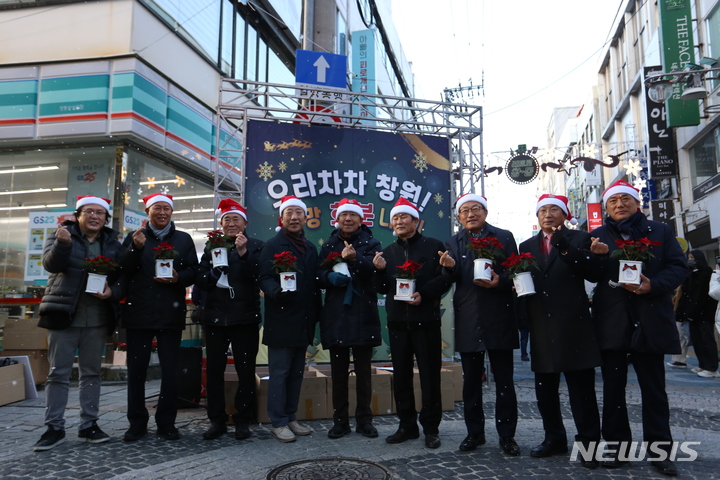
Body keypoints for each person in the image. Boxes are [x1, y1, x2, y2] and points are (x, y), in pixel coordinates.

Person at [589, 180, 687, 476]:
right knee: (613, 390)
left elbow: (679, 266)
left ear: (637, 202)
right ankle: (618, 449)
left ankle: (660, 452)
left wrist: (653, 285)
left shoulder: (660, 232)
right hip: (613, 321)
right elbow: (589, 276)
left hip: (650, 319)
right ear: (606, 207)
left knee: (654, 390)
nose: (619, 205)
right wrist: (596, 257)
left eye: (625, 199)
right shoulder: (597, 235)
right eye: (613, 201)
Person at [33, 196, 122, 451]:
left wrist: (112, 292)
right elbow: (51, 264)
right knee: (58, 373)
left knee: (91, 372)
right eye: (89, 212)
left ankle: (88, 425)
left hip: (96, 317)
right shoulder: (62, 234)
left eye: (100, 213)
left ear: (105, 219)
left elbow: (122, 276)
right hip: (63, 315)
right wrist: (62, 244)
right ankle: (54, 427)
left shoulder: (112, 243)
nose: (94, 217)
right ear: (78, 215)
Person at [518, 194, 601, 468]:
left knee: (581, 391)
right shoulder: (526, 245)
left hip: (574, 325)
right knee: (545, 391)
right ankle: (554, 438)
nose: (548, 214)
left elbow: (591, 272)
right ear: (537, 216)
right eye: (543, 210)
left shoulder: (580, 238)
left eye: (554, 209)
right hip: (541, 325)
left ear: (565, 215)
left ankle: (589, 444)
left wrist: (565, 248)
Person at [441, 193, 521, 456]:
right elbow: (449, 280)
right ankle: (474, 433)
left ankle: (507, 436)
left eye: (476, 208)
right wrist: (449, 268)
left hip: (499, 317)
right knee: (471, 382)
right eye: (464, 210)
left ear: (485, 212)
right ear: (459, 217)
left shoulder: (504, 236)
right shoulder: (453, 242)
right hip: (468, 319)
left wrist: (501, 281)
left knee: (505, 382)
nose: (471, 214)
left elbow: (517, 271)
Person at [372, 197, 452, 449]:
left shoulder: (434, 246)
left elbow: (444, 278)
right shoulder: (387, 252)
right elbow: (383, 288)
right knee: (402, 378)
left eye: (404, 217)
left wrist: (424, 294)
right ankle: (406, 426)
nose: (399, 222)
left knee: (430, 377)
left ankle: (431, 428)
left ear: (416, 221)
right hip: (397, 325)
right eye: (395, 218)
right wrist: (378, 270)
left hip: (426, 322)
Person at [118, 193, 199, 442]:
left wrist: (178, 279)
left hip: (170, 313)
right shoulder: (135, 238)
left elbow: (193, 271)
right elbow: (121, 268)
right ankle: (137, 422)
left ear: (172, 212)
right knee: (137, 372)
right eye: (156, 208)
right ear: (148, 212)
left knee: (171, 371)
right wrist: (136, 248)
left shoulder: (183, 239)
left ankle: (166, 422)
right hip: (139, 313)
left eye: (166, 208)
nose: (162, 212)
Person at [195, 199, 264, 440]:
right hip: (214, 319)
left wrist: (243, 253)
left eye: (236, 219)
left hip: (245, 318)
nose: (231, 223)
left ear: (245, 223)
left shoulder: (256, 246)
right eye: (227, 220)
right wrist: (213, 273)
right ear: (221, 224)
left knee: (246, 371)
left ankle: (243, 419)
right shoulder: (211, 246)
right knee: (214, 372)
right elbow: (200, 280)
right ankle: (217, 420)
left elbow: (258, 276)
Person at [318, 198, 382, 439]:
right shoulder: (329, 244)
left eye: (352, 215)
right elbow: (319, 272)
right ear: (337, 219)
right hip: (337, 316)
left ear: (360, 219)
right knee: (338, 372)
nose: (348, 219)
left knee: (364, 373)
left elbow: (376, 274)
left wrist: (355, 260)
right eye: (343, 215)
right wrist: (328, 277)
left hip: (363, 313)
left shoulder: (372, 243)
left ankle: (365, 420)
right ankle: (340, 421)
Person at [258, 195, 320, 443]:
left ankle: (290, 416)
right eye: (289, 213)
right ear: (281, 218)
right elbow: (263, 277)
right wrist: (275, 291)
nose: (294, 217)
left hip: (304, 320)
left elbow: (314, 284)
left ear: (306, 217)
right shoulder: (272, 245)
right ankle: (278, 421)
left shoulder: (311, 247)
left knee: (297, 373)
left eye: (298, 213)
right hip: (282, 318)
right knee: (280, 372)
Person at [676, 250, 719, 377]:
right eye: (688, 257)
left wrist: (692, 311)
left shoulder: (707, 273)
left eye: (692, 257)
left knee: (707, 340)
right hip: (692, 313)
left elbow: (702, 295)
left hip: (704, 313)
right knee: (696, 340)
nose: (690, 260)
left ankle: (712, 368)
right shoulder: (690, 274)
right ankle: (702, 365)